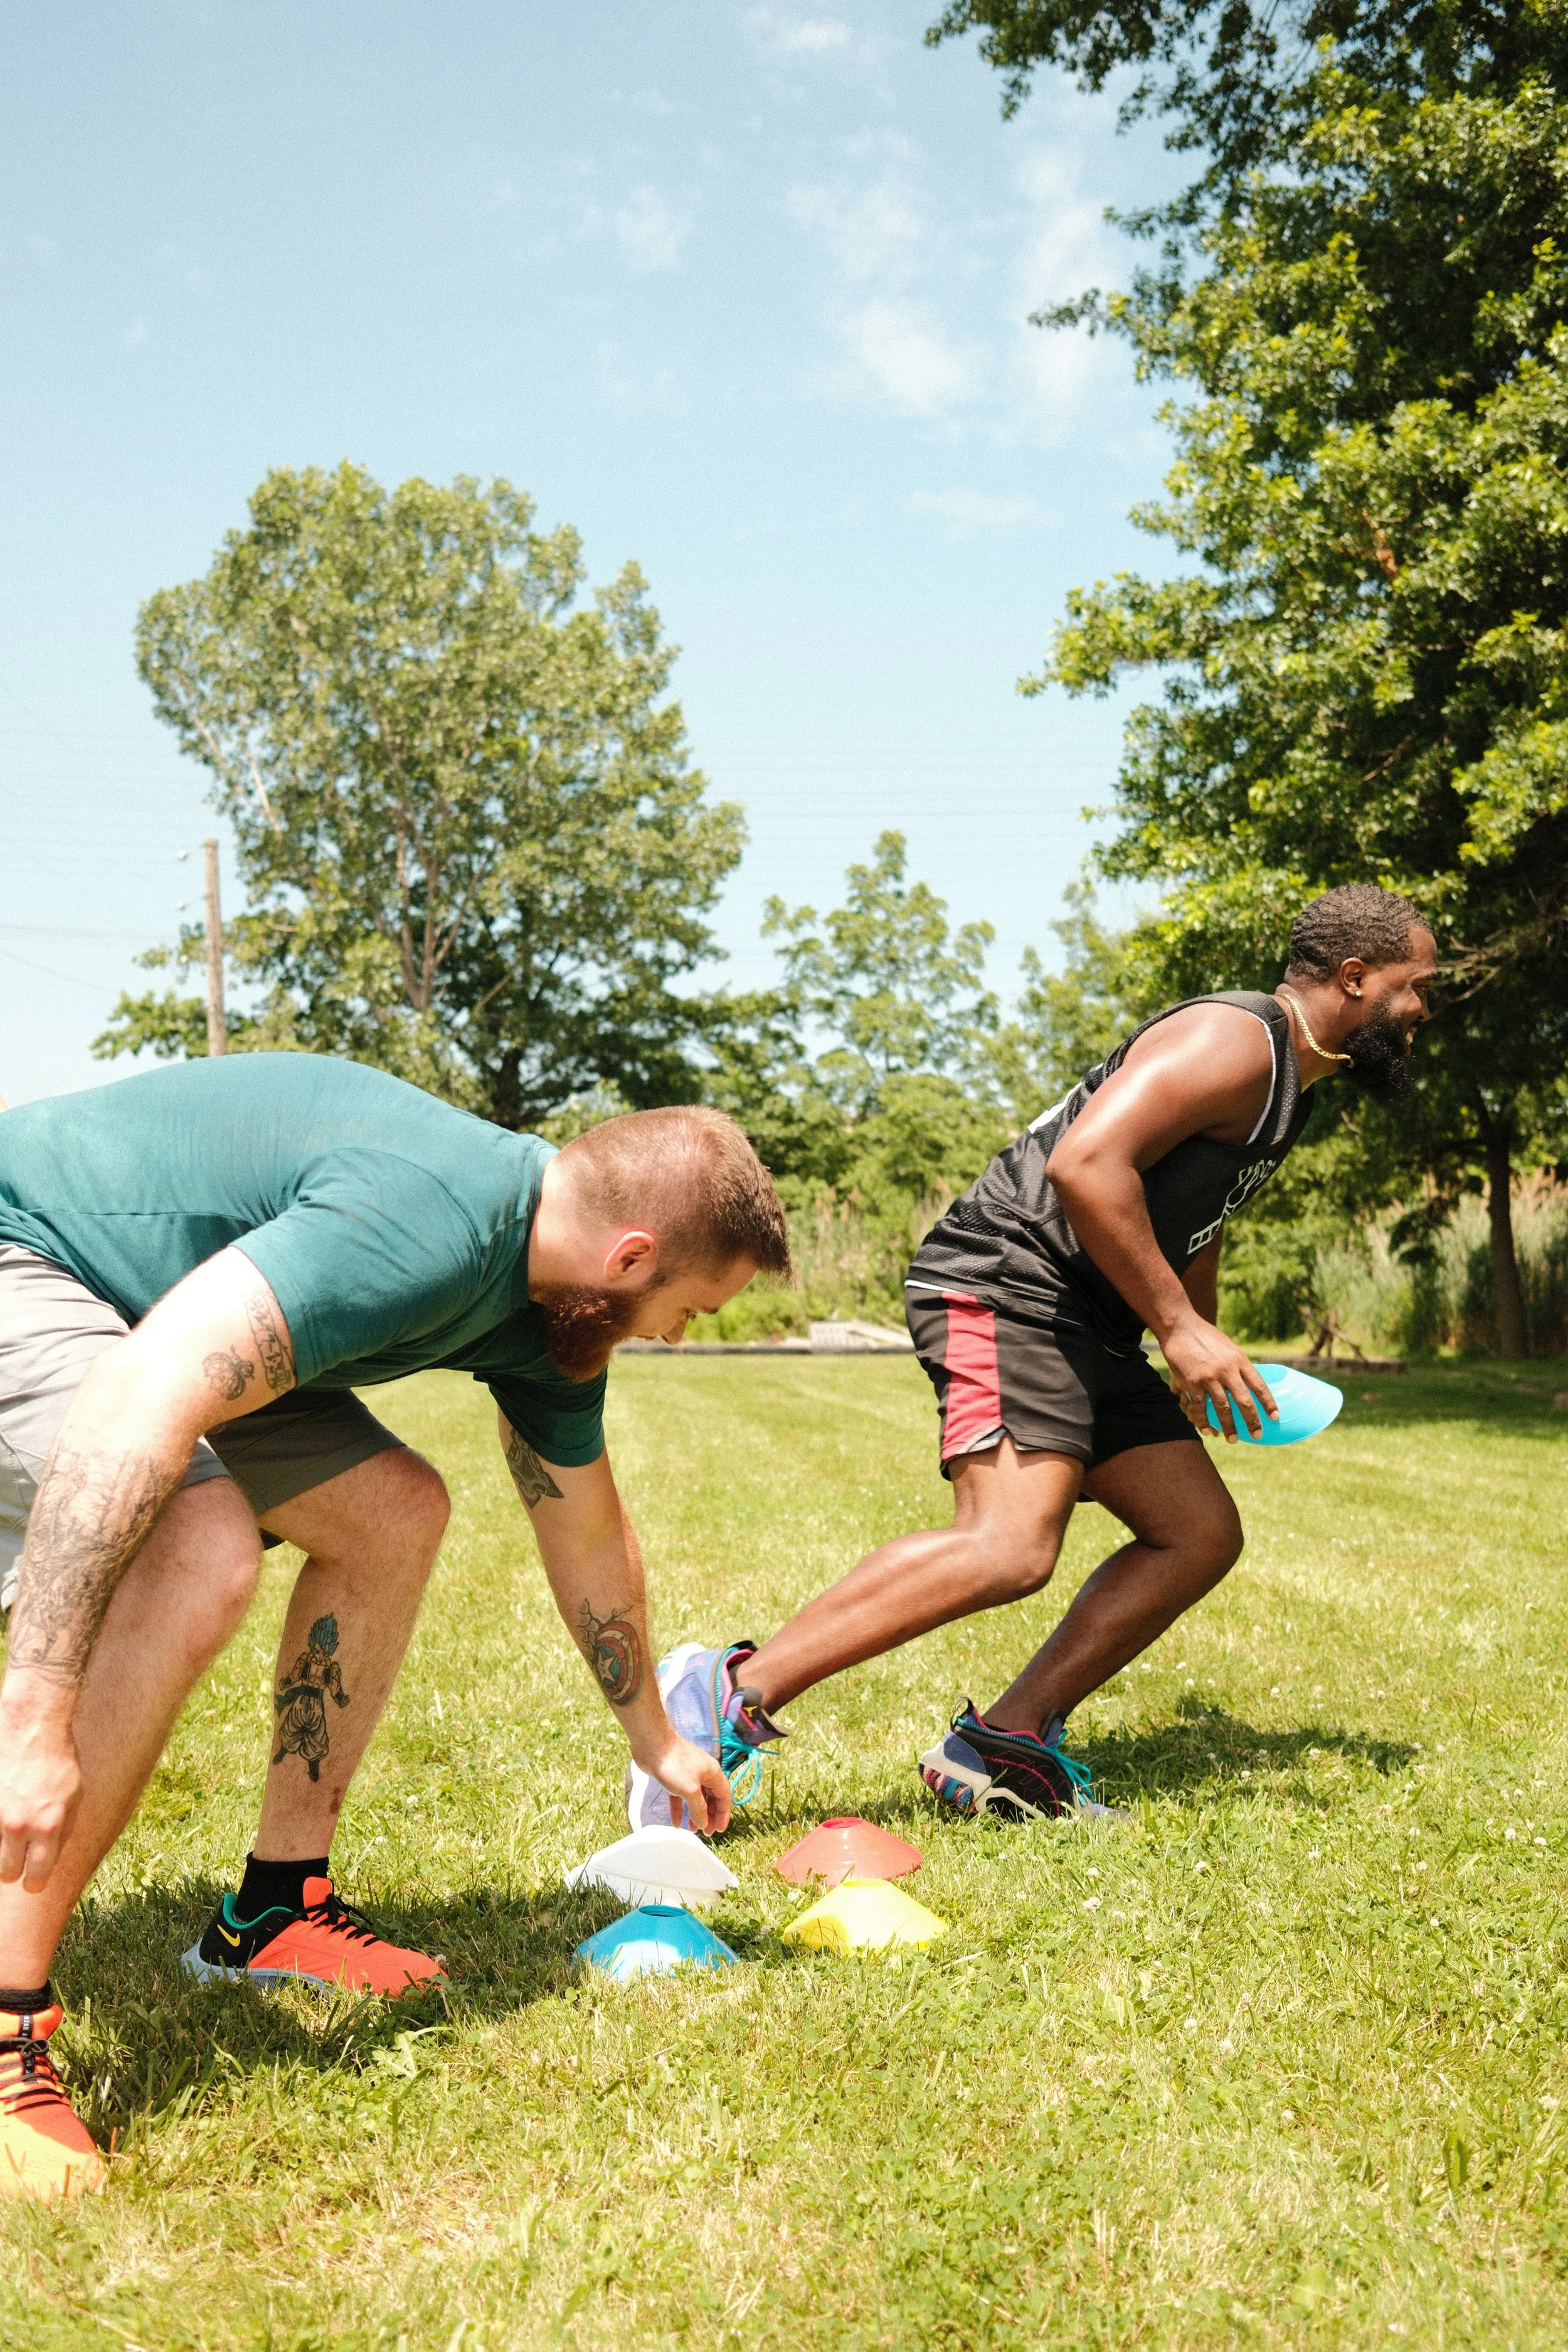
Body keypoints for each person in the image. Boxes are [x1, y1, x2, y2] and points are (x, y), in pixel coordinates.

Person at [0, 1056, 789, 2200]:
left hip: (154, 1308)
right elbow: (144, 1393)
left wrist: (655, 1732)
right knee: (199, 1538)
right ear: (630, 1260)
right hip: (34, 1252)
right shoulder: (427, 1223)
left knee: (392, 1511)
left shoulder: (549, 1317)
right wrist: (35, 1712)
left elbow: (586, 1528)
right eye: (688, 1311)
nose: (674, 1335)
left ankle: (276, 1909)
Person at [627, 884, 1436, 1835]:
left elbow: (1196, 1220)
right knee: (1009, 1544)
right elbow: (1085, 1165)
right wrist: (1177, 1327)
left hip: (1089, 1314)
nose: (1424, 1010)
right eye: (1416, 987)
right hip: (1004, 1280)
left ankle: (1003, 1744)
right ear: (1355, 978)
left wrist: (1197, 1341)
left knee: (1197, 1530)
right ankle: (726, 1693)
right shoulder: (1239, 1039)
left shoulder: (1294, 1079)